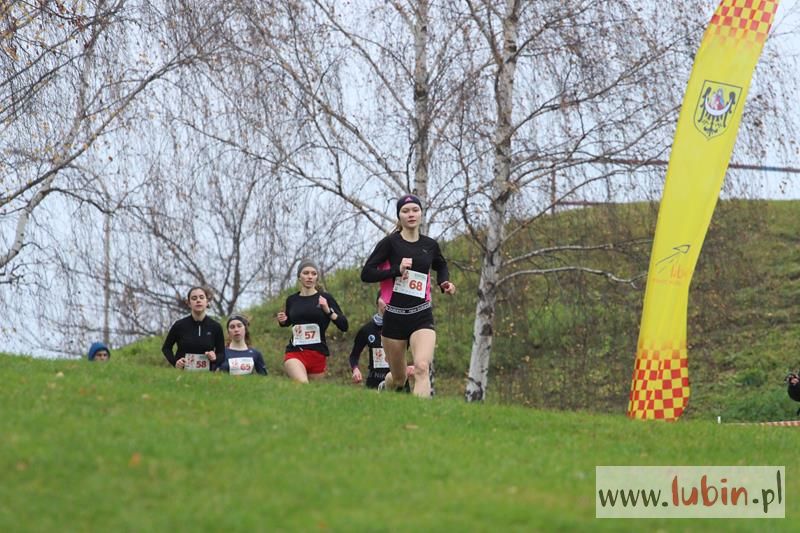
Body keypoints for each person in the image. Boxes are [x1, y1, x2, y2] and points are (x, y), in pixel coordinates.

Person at [360, 193, 456, 397]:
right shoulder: (389, 243)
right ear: (399, 216)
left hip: (421, 315)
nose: (411, 214)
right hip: (394, 317)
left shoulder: (429, 245)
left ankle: (420, 420)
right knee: (399, 379)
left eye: (415, 210)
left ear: (421, 214)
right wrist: (395, 270)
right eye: (405, 211)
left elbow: (441, 264)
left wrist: (444, 282)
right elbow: (366, 273)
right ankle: (385, 387)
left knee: (421, 367)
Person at [277, 260, 348, 382]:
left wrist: (328, 311)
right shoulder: (292, 300)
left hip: (317, 353)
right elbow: (289, 322)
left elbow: (344, 325)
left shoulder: (325, 298)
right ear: (299, 276)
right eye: (306, 273)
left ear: (317, 277)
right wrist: (283, 320)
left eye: (313, 273)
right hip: (295, 352)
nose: (310, 276)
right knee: (302, 384)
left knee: (312, 396)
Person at [349, 293, 414, 390]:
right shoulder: (367, 330)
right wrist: (355, 369)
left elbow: (418, 350)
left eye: (391, 300)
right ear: (377, 302)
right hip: (374, 381)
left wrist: (414, 366)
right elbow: (354, 355)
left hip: (399, 380)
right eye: (384, 298)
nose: (387, 302)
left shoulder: (403, 328)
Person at [161, 286, 226, 372]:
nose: (198, 300)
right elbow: (166, 348)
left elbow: (221, 353)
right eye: (194, 298)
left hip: (208, 375)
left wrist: (215, 358)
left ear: (207, 302)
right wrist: (175, 362)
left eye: (201, 297)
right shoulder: (179, 325)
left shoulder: (215, 327)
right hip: (183, 374)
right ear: (189, 303)